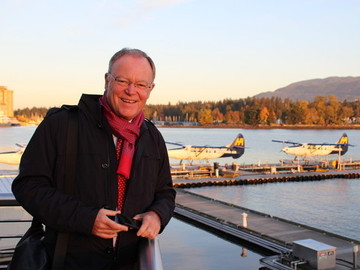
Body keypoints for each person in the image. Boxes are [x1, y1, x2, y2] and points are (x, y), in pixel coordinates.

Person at [12, 48, 176, 269]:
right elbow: (28, 186)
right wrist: (85, 219)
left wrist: (157, 215)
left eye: (140, 85)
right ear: (107, 80)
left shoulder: (152, 137)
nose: (131, 91)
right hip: (68, 262)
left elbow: (165, 192)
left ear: (150, 89)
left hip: (130, 262)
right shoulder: (61, 125)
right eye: (122, 81)